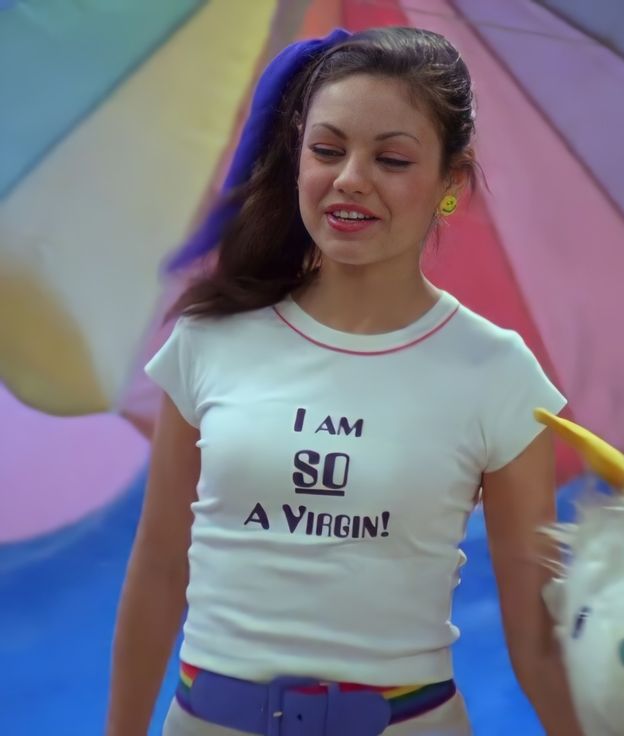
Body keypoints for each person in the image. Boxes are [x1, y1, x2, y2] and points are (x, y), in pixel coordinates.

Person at [106, 26, 583, 736]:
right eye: (328, 150)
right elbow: (158, 568)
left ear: (451, 184)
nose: (351, 178)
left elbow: (537, 640)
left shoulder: (499, 373)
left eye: (391, 158)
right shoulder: (209, 339)